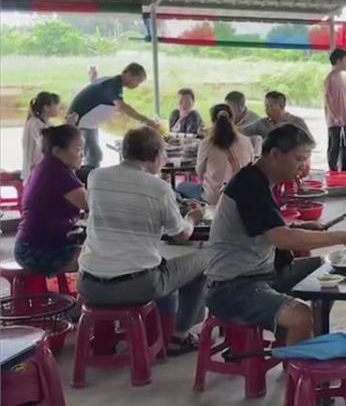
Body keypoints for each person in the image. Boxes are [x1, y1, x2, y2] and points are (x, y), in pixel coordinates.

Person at [205, 124, 346, 347]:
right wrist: (344, 236)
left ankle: (310, 344)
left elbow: (266, 227)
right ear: (275, 155)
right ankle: (299, 372)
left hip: (264, 272)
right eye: (299, 159)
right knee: (299, 314)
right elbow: (282, 239)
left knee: (330, 271)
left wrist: (295, 227)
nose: (303, 166)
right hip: (232, 287)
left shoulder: (260, 180)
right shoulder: (249, 185)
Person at [77, 126, 207, 355]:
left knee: (161, 266)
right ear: (155, 156)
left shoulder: (96, 177)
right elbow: (181, 235)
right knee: (202, 260)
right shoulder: (159, 188)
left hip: (89, 283)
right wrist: (192, 217)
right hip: (137, 285)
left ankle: (107, 340)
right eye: (164, 153)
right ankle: (179, 335)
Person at [15, 125, 87, 277]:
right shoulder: (57, 172)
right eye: (77, 149)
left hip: (30, 246)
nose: (82, 154)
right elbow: (90, 203)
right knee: (101, 258)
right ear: (57, 151)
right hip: (37, 252)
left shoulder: (49, 167)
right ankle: (88, 299)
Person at [69, 63, 157, 169]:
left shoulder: (111, 82)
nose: (137, 85)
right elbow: (122, 107)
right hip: (82, 122)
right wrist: (146, 120)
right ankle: (89, 181)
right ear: (128, 74)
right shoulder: (113, 84)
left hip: (89, 123)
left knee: (94, 155)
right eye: (137, 80)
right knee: (94, 156)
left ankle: (89, 178)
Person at [176, 104, 255, 204]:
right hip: (241, 196)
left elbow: (199, 174)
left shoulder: (207, 143)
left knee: (180, 186)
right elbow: (251, 167)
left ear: (212, 121)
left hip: (213, 197)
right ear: (233, 119)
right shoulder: (246, 141)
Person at [21, 92, 63, 184]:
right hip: (33, 173)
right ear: (46, 107)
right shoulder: (34, 124)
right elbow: (47, 141)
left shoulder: (48, 124)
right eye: (57, 106)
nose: (59, 109)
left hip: (41, 170)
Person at [324, 48, 346, 172]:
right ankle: (333, 170)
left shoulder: (343, 77)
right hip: (334, 120)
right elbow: (328, 100)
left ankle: (345, 169)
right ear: (339, 61)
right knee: (334, 146)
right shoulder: (330, 78)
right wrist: (336, 116)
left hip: (345, 118)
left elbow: (345, 100)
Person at [242, 91, 313, 141]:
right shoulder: (261, 124)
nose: (267, 109)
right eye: (266, 106)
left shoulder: (297, 122)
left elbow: (311, 143)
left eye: (271, 106)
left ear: (282, 106)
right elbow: (241, 132)